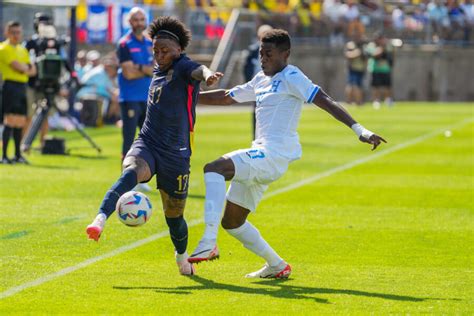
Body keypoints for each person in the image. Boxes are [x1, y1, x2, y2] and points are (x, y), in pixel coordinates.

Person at [188, 29, 386, 278]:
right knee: (233, 222)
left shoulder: (292, 76)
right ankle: (277, 265)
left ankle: (208, 242)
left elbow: (324, 99)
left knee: (214, 168)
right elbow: (228, 97)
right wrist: (189, 97)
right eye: (261, 53)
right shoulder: (260, 79)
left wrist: (360, 129)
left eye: (268, 53)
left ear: (286, 54)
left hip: (273, 156)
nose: (263, 58)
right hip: (261, 154)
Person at [85, 16, 223, 276]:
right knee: (129, 173)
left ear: (178, 50)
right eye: (156, 51)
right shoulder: (158, 69)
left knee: (174, 219)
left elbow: (198, 69)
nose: (159, 56)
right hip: (148, 141)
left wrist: (208, 76)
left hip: (177, 153)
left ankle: (182, 257)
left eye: (165, 51)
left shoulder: (183, 65)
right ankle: (99, 220)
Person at [117, 7, 154, 192]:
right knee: (129, 139)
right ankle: (126, 179)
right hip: (130, 98)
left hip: (146, 97)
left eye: (142, 19)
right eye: (136, 19)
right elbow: (128, 73)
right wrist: (144, 68)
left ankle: (140, 177)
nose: (139, 22)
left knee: (147, 140)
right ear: (130, 22)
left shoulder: (149, 43)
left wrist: (139, 67)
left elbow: (154, 69)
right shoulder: (124, 44)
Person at [0, 21, 37, 164]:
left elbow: (33, 70)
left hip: (22, 86)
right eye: (13, 32)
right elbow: (17, 67)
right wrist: (25, 67)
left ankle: (17, 154)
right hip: (10, 86)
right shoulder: (3, 48)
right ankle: (4, 156)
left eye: (18, 32)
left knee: (21, 122)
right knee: (9, 120)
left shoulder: (23, 50)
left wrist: (25, 68)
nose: (16, 35)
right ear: (6, 33)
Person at [243, 24, 272, 139]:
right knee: (257, 112)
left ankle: (270, 136)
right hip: (258, 86)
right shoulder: (253, 51)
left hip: (272, 86)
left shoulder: (276, 52)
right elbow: (246, 68)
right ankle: (256, 137)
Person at [365, 33, 394, 109]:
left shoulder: (387, 45)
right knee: (376, 86)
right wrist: (382, 47)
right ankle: (376, 101)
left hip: (385, 69)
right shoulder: (371, 45)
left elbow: (391, 54)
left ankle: (388, 100)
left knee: (387, 86)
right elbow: (375, 54)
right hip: (375, 69)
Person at [344, 39, 367, 105]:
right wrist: (357, 52)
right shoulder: (351, 45)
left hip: (361, 69)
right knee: (351, 86)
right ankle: (350, 101)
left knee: (359, 86)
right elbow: (348, 55)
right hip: (353, 69)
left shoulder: (364, 47)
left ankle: (359, 102)